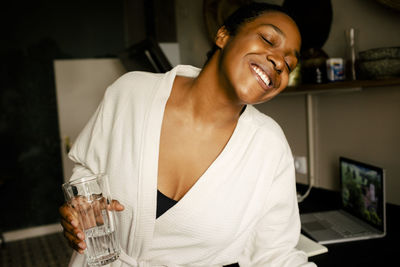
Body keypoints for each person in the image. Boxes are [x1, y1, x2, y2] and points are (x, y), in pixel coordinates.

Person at [59, 2, 316, 266]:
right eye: (267, 39)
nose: (278, 62)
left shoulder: (269, 147)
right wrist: (79, 210)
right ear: (223, 35)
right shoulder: (131, 93)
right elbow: (87, 169)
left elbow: (276, 254)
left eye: (289, 63)